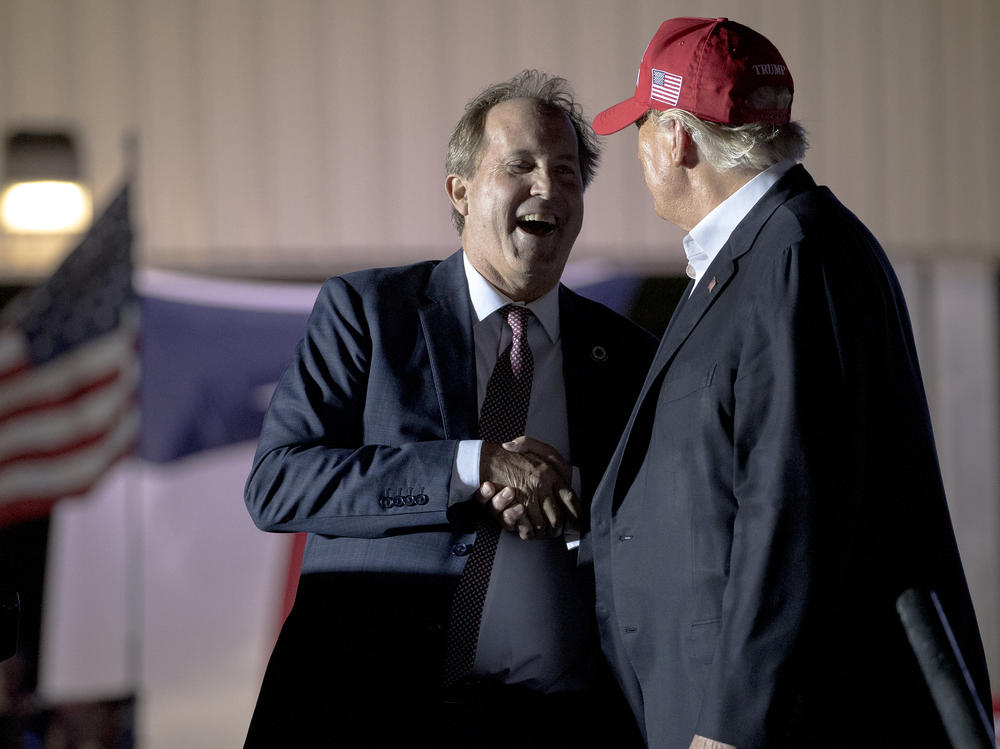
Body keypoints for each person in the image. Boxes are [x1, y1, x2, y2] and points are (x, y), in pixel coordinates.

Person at [584, 16, 994, 749]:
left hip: (770, 724)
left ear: (677, 138)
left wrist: (732, 724)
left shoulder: (794, 258)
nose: (639, 146)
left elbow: (789, 502)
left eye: (642, 125)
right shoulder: (770, 252)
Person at [242, 69, 655, 748]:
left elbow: (648, 521)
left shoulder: (625, 353)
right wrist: (473, 464)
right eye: (520, 165)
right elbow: (278, 484)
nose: (548, 187)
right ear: (460, 191)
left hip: (562, 724)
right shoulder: (369, 315)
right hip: (370, 715)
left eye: (567, 170)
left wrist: (569, 501)